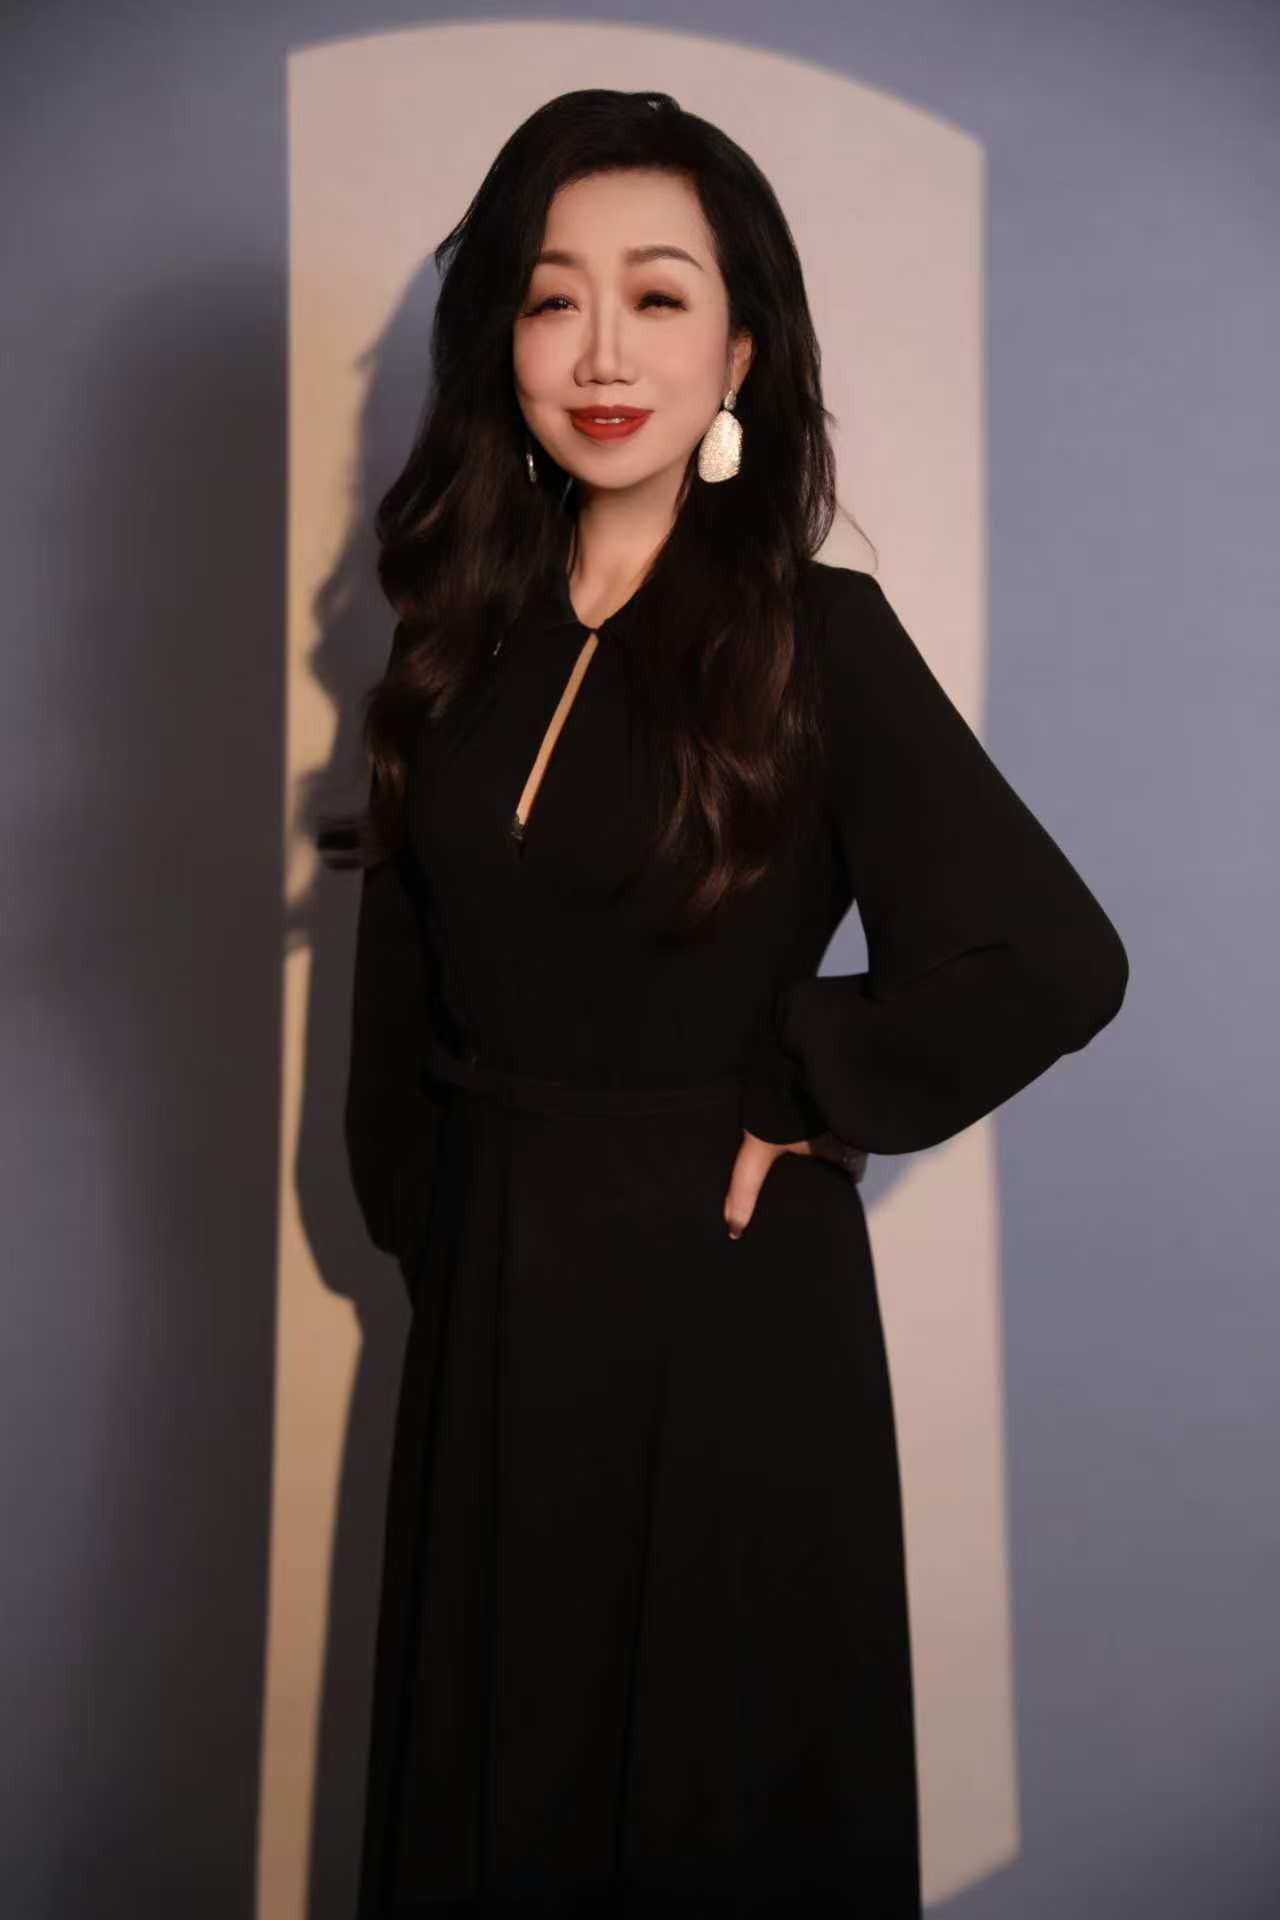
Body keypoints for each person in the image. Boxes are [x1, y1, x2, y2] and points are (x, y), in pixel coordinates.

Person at [341, 89, 1128, 1920]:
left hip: (728, 1328)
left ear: (740, 351)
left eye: (658, 296)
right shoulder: (455, 640)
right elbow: (401, 1007)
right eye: (553, 298)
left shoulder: (814, 634)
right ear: (503, 345)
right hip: (494, 1322)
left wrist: (804, 1081)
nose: (603, 351)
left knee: (715, 1811)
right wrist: (451, 1232)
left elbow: (1052, 958)